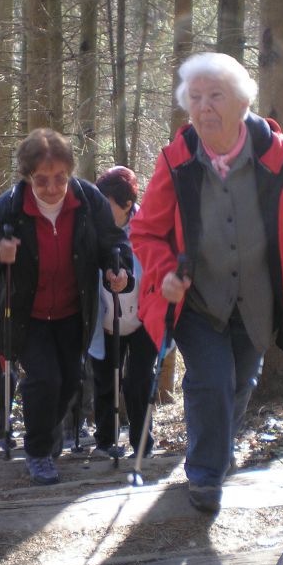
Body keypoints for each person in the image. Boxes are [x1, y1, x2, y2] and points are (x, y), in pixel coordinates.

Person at [130, 52, 283, 513]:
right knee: (210, 378)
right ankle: (205, 477)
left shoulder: (282, 155)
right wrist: (166, 271)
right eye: (196, 98)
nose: (204, 107)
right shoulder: (176, 159)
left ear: (242, 102)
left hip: (258, 302)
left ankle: (218, 454)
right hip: (196, 300)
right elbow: (146, 229)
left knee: (240, 381)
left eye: (216, 96)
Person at [0, 128, 133, 485]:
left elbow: (113, 242)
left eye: (59, 179)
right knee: (44, 378)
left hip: (73, 310)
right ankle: (38, 453)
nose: (52, 188)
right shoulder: (7, 208)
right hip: (25, 314)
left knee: (69, 381)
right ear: (27, 177)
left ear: (69, 172)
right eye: (42, 180)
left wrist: (119, 269)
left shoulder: (89, 202)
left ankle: (47, 433)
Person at [87, 166, 157, 460]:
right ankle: (104, 441)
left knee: (138, 381)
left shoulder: (150, 226)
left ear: (127, 205)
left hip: (144, 318)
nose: (101, 211)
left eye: (108, 205)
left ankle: (143, 445)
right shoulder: (91, 227)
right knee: (105, 380)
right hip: (104, 318)